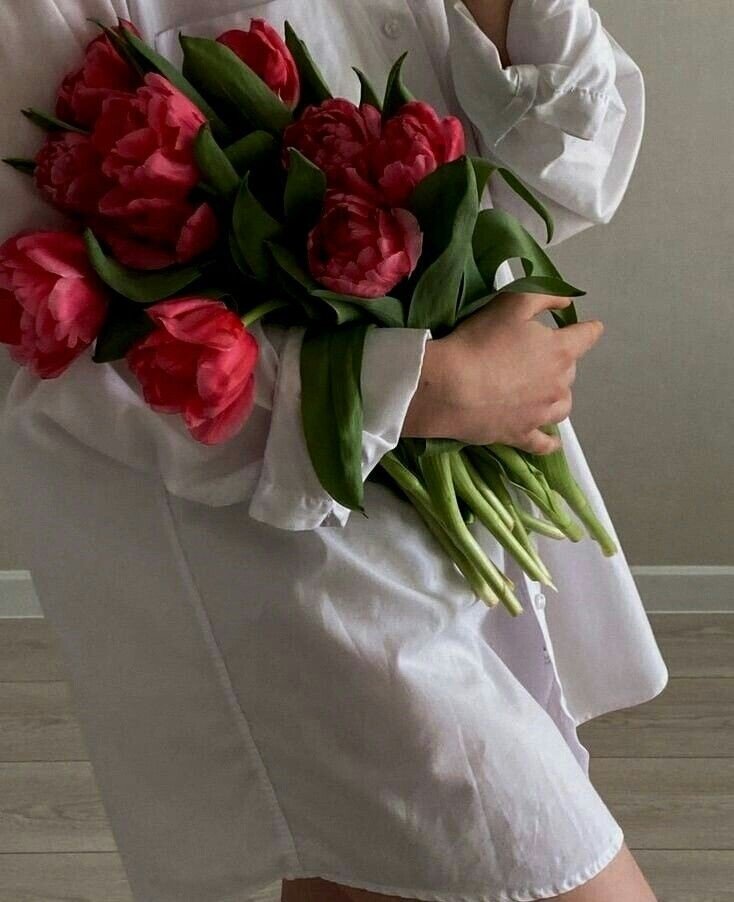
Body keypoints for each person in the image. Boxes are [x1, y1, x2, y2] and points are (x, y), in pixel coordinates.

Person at [0, 1, 667, 901]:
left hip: (448, 514)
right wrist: (425, 390)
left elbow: (552, 182)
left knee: (368, 872)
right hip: (269, 554)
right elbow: (42, 326)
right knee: (529, 853)